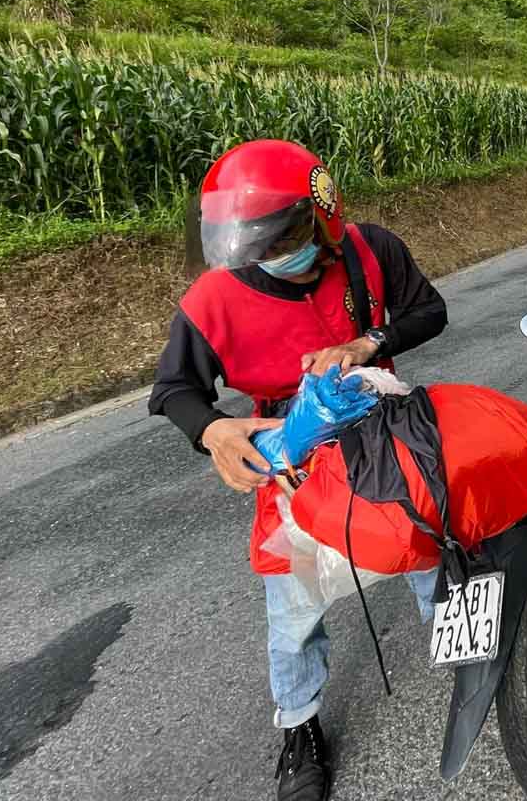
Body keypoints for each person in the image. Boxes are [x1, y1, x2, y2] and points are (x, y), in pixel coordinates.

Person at [149, 139, 447, 801]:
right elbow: (174, 390)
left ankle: (473, 654)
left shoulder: (370, 252)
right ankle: (299, 725)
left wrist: (369, 341)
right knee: (294, 597)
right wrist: (215, 429)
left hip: (383, 427)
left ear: (322, 211)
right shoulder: (214, 298)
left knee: (428, 546)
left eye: (280, 235)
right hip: (292, 457)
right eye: (247, 241)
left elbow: (431, 311)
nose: (265, 254)